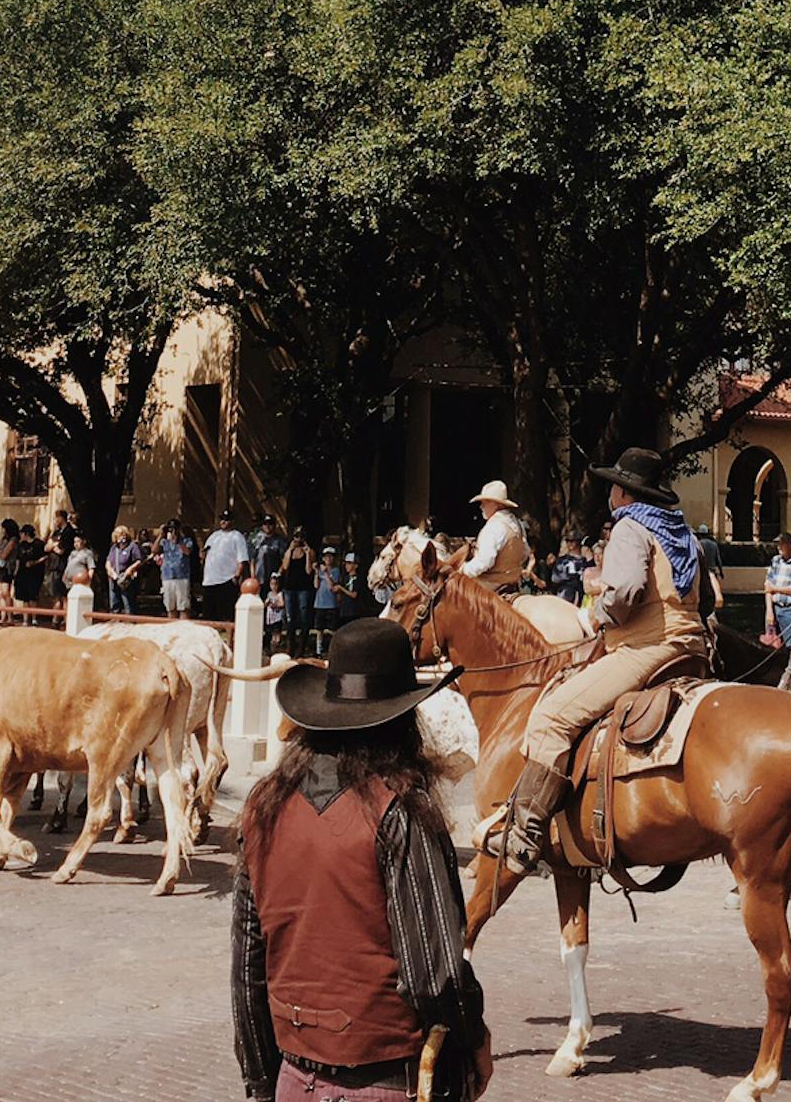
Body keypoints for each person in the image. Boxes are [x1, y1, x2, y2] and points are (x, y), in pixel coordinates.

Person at [233, 618, 491, 1102]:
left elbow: (248, 969)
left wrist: (263, 1082)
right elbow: (434, 976)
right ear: (403, 721)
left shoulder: (263, 807)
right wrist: (474, 1038)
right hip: (385, 1083)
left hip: (293, 1079)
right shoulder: (401, 810)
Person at [501, 447, 710, 877]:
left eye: (614, 485)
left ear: (624, 493)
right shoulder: (682, 532)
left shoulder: (631, 528)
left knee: (553, 717)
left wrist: (599, 611)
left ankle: (527, 834)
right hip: (693, 651)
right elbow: (705, 598)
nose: (611, 492)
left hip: (647, 649)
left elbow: (627, 590)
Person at [461, 482, 530, 595]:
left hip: (490, 586)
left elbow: (484, 562)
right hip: (513, 584)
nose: (481, 506)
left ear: (496, 504)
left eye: (485, 502)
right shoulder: (518, 524)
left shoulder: (493, 527)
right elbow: (525, 553)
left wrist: (463, 570)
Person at [203, 511, 253, 625]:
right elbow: (205, 553)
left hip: (226, 580)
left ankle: (229, 639)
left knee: (227, 616)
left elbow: (242, 559)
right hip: (210, 581)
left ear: (232, 522)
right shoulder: (214, 535)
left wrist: (236, 576)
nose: (224, 522)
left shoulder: (237, 536)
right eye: (222, 519)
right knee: (209, 616)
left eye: (227, 519)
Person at [158, 520, 197, 618]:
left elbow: (187, 552)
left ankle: (183, 629)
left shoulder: (186, 540)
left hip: (182, 576)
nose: (172, 531)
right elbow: (154, 550)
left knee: (183, 606)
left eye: (174, 528)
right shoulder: (164, 541)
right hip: (167, 576)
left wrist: (177, 540)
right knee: (170, 607)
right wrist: (161, 535)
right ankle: (171, 629)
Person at [106, 524, 142, 615]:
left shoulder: (132, 546)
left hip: (126, 578)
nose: (122, 536)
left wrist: (129, 569)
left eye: (123, 534)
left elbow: (138, 560)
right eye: (119, 534)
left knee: (128, 601)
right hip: (114, 577)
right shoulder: (114, 548)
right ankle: (115, 620)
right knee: (114, 601)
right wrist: (111, 571)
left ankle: (130, 621)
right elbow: (108, 562)